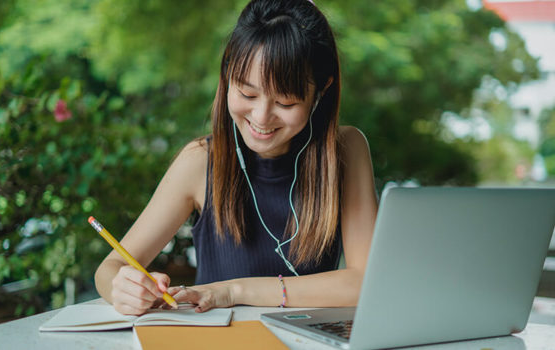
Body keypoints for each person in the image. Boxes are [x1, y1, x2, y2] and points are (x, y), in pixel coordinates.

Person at [94, 0, 378, 316]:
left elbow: (365, 282)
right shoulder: (200, 160)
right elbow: (111, 267)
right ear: (228, 73)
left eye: (285, 102)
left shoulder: (347, 150)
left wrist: (234, 290)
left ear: (321, 90)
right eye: (247, 94)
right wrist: (124, 287)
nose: (261, 117)